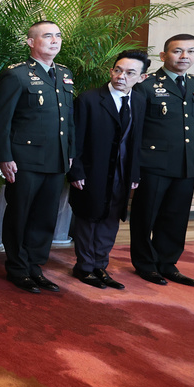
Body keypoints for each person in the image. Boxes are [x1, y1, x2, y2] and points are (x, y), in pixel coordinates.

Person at [0, 20, 75, 294]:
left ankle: (36, 267)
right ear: (30, 42)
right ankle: (17, 268)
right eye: (47, 36)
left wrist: (70, 152)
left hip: (56, 160)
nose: (55, 40)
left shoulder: (64, 74)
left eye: (58, 35)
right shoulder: (16, 75)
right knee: (20, 215)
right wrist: (3, 157)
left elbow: (69, 120)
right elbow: (1, 121)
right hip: (24, 160)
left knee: (45, 217)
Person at [129, 34, 194, 286]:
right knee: (146, 214)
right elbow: (134, 127)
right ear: (164, 56)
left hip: (186, 162)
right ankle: (146, 264)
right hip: (153, 162)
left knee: (176, 216)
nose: (184, 56)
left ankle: (167, 263)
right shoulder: (145, 85)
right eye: (177, 51)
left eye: (190, 52)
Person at [67, 50, 149, 289]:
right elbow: (76, 140)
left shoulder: (140, 100)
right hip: (94, 170)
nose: (121, 76)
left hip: (122, 173)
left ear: (142, 78)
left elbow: (137, 140)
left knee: (112, 218)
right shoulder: (89, 99)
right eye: (118, 70)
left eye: (130, 73)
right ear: (111, 71)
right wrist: (76, 171)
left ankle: (100, 266)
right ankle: (84, 267)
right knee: (89, 217)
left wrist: (134, 173)